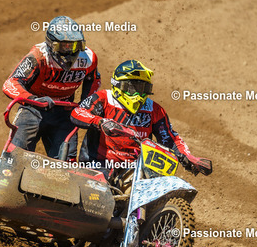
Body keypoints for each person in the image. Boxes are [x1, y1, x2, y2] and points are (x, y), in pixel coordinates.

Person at [70, 59, 212, 177]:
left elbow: (170, 138)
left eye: (143, 88)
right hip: (98, 164)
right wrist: (100, 121)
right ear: (119, 85)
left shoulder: (154, 109)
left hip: (136, 169)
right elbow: (78, 112)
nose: (138, 94)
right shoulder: (103, 98)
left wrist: (189, 158)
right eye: (133, 88)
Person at [3, 16, 100, 160]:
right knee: (15, 156)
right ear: (51, 44)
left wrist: (84, 104)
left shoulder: (89, 58)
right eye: (64, 46)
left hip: (65, 110)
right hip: (33, 109)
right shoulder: (38, 56)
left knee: (66, 162)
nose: (70, 51)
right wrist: (33, 99)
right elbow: (11, 83)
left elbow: (93, 80)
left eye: (75, 46)